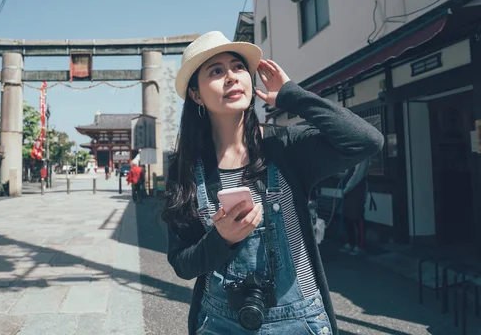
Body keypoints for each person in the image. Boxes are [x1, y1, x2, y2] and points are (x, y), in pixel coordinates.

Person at [162, 31, 384, 334]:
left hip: (299, 321)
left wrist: (294, 96)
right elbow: (182, 263)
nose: (231, 77)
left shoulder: (286, 147)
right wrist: (221, 238)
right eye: (216, 71)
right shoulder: (185, 169)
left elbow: (367, 141)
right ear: (196, 94)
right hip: (219, 321)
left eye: (238, 67)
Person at [339, 159, 370, 256]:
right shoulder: (353, 156)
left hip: (357, 188)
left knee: (357, 216)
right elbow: (348, 173)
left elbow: (358, 175)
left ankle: (360, 246)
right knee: (347, 216)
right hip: (349, 189)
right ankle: (351, 242)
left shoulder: (363, 157)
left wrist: (347, 188)